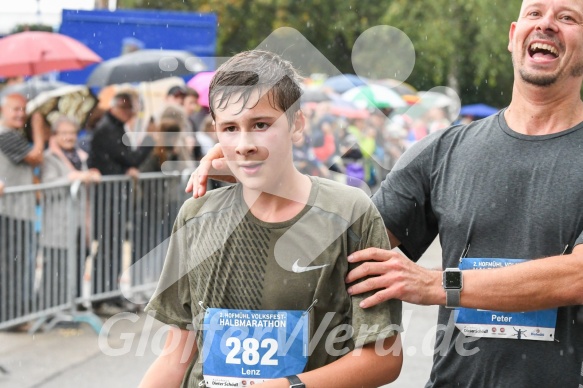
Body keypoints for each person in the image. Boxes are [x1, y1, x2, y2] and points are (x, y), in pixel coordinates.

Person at [185, 2, 583, 387]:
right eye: (534, 13)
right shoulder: (445, 151)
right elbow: (342, 241)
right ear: (514, 36)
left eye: (567, 17)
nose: (546, 24)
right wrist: (259, 170)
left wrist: (436, 285)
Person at [141, 50, 402, 388]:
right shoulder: (197, 215)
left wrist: (286, 386)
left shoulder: (351, 214)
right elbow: (175, 355)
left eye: (261, 124)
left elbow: (383, 358)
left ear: (296, 125)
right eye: (230, 128)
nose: (245, 143)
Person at [40, 116, 101, 306]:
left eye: (72, 133)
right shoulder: (49, 158)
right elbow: (48, 185)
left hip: (80, 222)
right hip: (59, 222)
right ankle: (52, 306)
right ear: (55, 135)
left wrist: (91, 174)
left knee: (78, 262)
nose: (69, 137)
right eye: (64, 133)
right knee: (56, 267)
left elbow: (83, 180)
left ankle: (72, 303)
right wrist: (71, 178)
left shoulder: (80, 156)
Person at [0, 93, 43, 321]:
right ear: (3, 110)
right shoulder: (5, 135)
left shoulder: (12, 134)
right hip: (10, 212)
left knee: (21, 266)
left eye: (23, 109)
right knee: (13, 268)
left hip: (19, 211)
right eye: (15, 109)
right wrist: (37, 128)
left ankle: (19, 314)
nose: (20, 114)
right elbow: (36, 156)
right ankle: (12, 317)